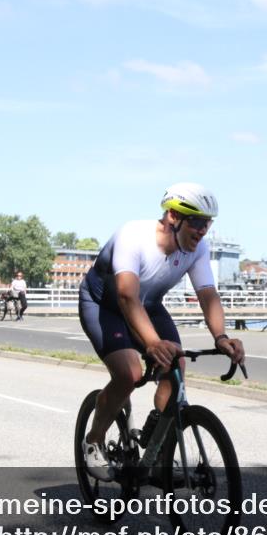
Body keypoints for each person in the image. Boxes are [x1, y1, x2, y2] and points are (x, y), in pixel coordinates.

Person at [78, 182, 245, 481]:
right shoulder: (133, 236)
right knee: (128, 373)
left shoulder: (197, 249)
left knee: (176, 366)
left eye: (207, 223)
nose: (203, 229)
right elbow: (127, 296)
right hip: (105, 304)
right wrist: (152, 343)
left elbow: (208, 295)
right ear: (172, 216)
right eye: (195, 221)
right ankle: (93, 440)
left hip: (148, 305)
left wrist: (221, 337)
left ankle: (156, 448)